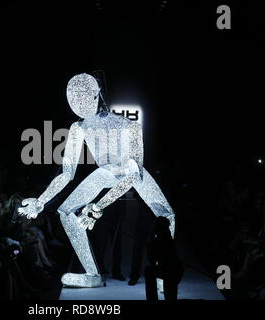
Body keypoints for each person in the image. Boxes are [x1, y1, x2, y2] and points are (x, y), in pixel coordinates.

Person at [18, 73, 175, 288]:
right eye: (72, 100)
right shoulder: (78, 128)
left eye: (82, 98)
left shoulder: (130, 127)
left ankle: (164, 276)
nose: (78, 105)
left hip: (130, 172)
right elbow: (66, 173)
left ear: (96, 95)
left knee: (167, 215)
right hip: (105, 173)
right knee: (65, 212)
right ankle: (92, 274)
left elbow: (133, 175)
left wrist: (99, 205)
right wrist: (41, 200)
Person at [145, 216, 183, 301]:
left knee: (149, 271)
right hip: (175, 270)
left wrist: (150, 247)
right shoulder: (167, 237)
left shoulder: (159, 241)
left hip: (170, 271)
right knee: (170, 295)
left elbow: (152, 260)